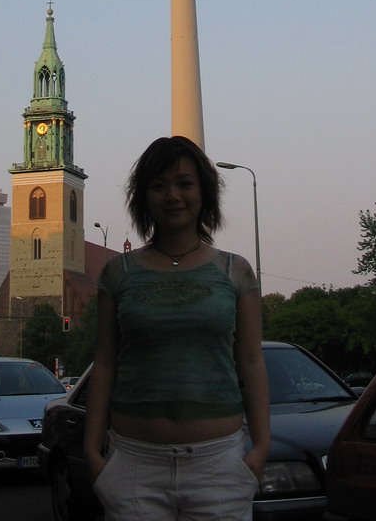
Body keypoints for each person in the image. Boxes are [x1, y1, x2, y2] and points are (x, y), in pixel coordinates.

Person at [84, 135, 270, 521]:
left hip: (218, 466)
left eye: (184, 183)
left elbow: (251, 361)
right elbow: (104, 363)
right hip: (134, 465)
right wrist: (92, 452)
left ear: (204, 192)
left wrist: (260, 449)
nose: (172, 195)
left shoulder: (235, 271)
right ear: (143, 196)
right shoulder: (117, 274)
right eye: (158, 185)